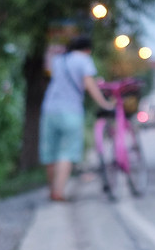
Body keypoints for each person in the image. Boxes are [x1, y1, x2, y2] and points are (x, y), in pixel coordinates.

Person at [39, 35, 114, 201]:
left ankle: (51, 191)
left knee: (50, 152)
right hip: (71, 110)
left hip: (49, 109)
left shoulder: (58, 60)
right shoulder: (83, 60)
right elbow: (89, 84)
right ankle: (58, 192)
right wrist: (104, 103)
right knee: (67, 152)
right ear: (87, 50)